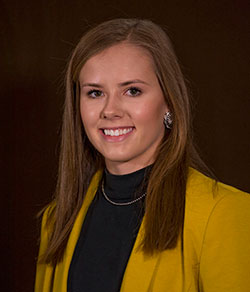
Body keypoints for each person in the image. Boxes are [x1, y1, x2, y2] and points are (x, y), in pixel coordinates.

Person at [35, 18, 250, 292]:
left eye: (132, 91)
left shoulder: (223, 215)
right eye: (95, 93)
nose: (110, 110)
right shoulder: (56, 221)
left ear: (168, 103)